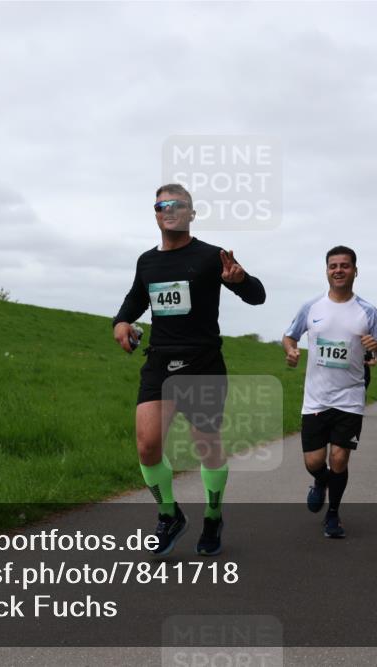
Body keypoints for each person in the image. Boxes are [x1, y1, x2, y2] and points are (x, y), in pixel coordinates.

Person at [113, 184, 266, 557]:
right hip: (160, 362)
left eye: (179, 205)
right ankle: (170, 515)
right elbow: (135, 300)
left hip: (202, 364)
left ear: (191, 213)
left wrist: (240, 280)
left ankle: (213, 516)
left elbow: (257, 295)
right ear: (155, 213)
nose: (171, 210)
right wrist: (121, 324)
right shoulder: (147, 262)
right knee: (148, 446)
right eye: (163, 205)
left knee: (206, 448)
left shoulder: (212, 256)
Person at [282, 246, 377, 539]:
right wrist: (291, 350)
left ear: (355, 270)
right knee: (314, 462)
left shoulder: (368, 311)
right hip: (316, 398)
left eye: (345, 265)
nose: (339, 270)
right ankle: (320, 482)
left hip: (350, 398)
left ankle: (333, 514)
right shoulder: (312, 307)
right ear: (327, 271)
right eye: (333, 266)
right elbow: (290, 335)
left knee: (340, 459)